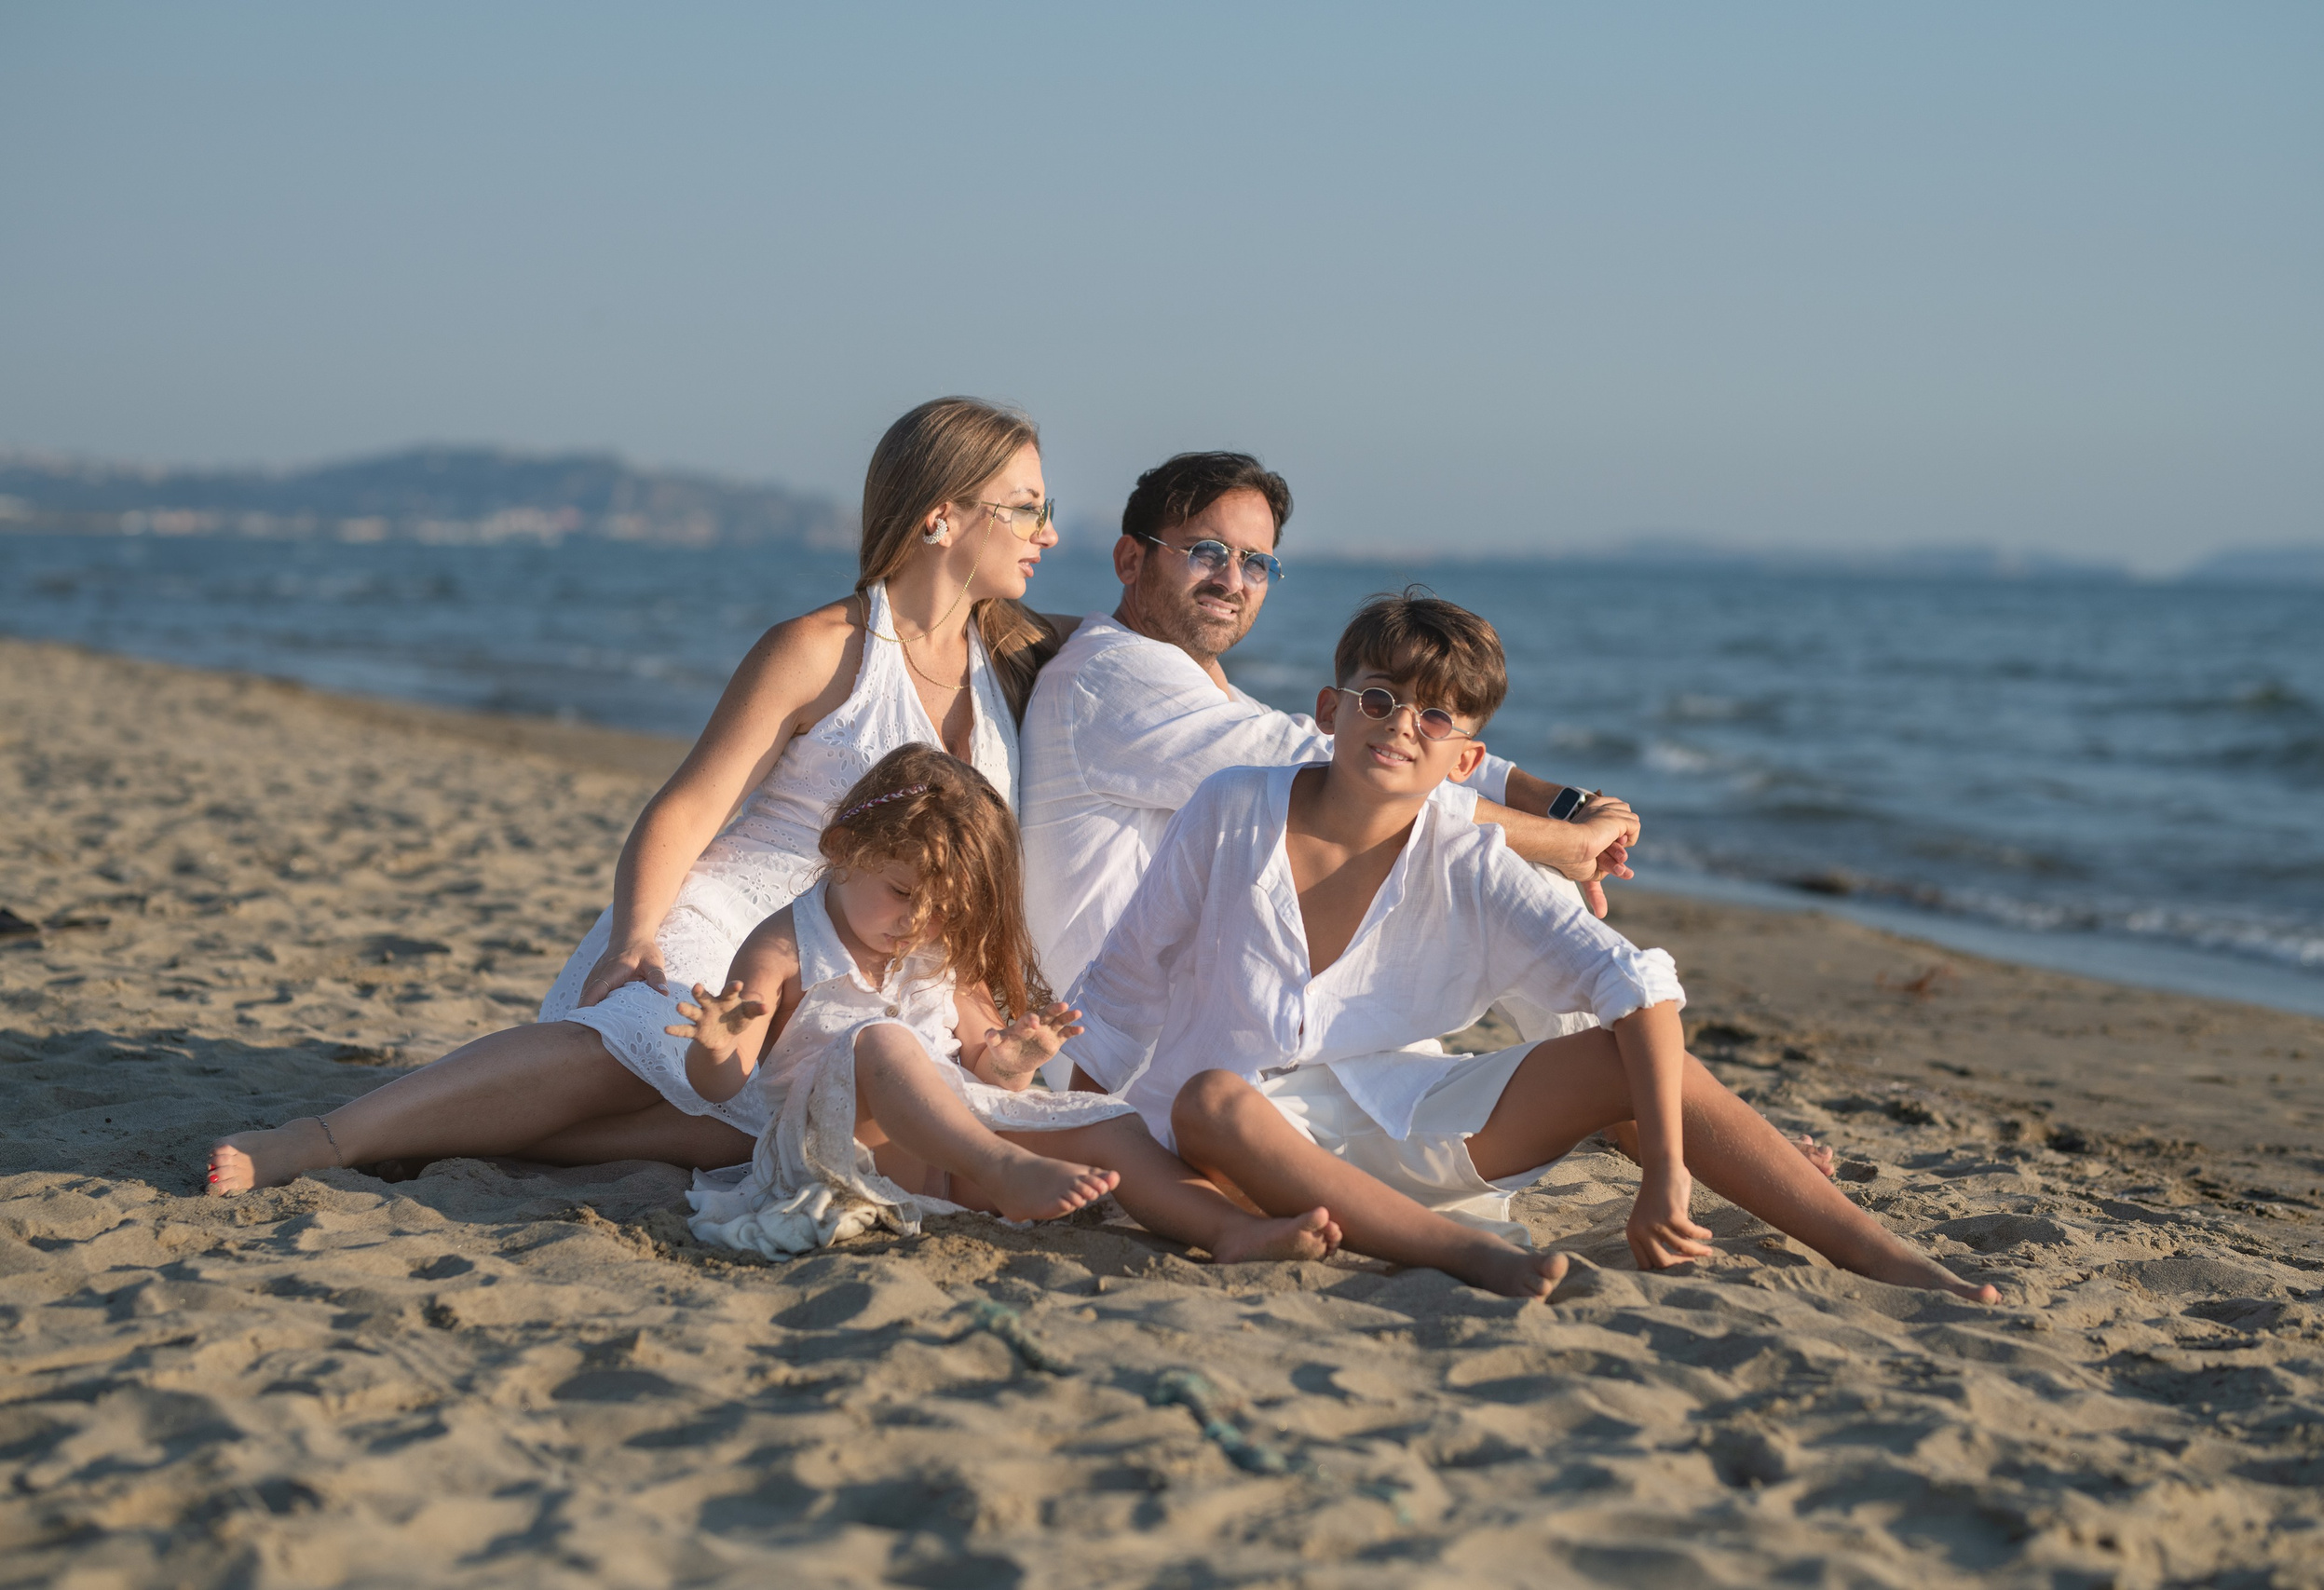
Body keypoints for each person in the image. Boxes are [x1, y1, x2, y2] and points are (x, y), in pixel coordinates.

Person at [205, 396, 1074, 1193]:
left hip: (879, 955)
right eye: (1028, 504)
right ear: (941, 513)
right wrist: (633, 942)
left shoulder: (1016, 661)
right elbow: (689, 807)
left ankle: (467, 1140)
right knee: (632, 1051)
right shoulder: (821, 648)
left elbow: (1144, 657)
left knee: (771, 1132)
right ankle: (320, 1139)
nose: (1050, 531)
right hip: (742, 920)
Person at [1063, 591, 1999, 1305]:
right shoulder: (1231, 806)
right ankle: (1468, 1258)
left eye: (1435, 718)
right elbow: (1125, 987)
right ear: (1328, 708)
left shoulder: (1468, 854)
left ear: (1465, 761)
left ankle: (1879, 1254)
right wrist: (1066, 1125)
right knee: (1210, 1098)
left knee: (1625, 1055)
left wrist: (1664, 1173)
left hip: (1408, 1120)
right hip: (1244, 1148)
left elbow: (1634, 987)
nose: (1399, 727)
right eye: (1380, 699)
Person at [1018, 451, 1639, 1062]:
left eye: (1255, 563)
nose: (1232, 581)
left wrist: (1554, 802)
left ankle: (1619, 1068)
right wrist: (1568, 844)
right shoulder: (1113, 676)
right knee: (1488, 863)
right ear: (1132, 558)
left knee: (1489, 868)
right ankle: (1622, 1072)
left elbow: (1355, 747)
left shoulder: (1193, 685)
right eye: (1206, 551)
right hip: (1143, 1049)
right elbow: (1352, 768)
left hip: (1222, 1015)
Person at [669, 743, 1340, 1264]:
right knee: (879, 1040)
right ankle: (1007, 1171)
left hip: (946, 1161)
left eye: (943, 910)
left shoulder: (937, 954)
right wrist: (718, 1044)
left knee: (1109, 1125)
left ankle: (1232, 1230)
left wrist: (1014, 1061)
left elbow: (987, 1077)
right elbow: (724, 1087)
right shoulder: (784, 946)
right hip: (843, 1154)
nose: (918, 922)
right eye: (902, 893)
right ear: (845, 848)